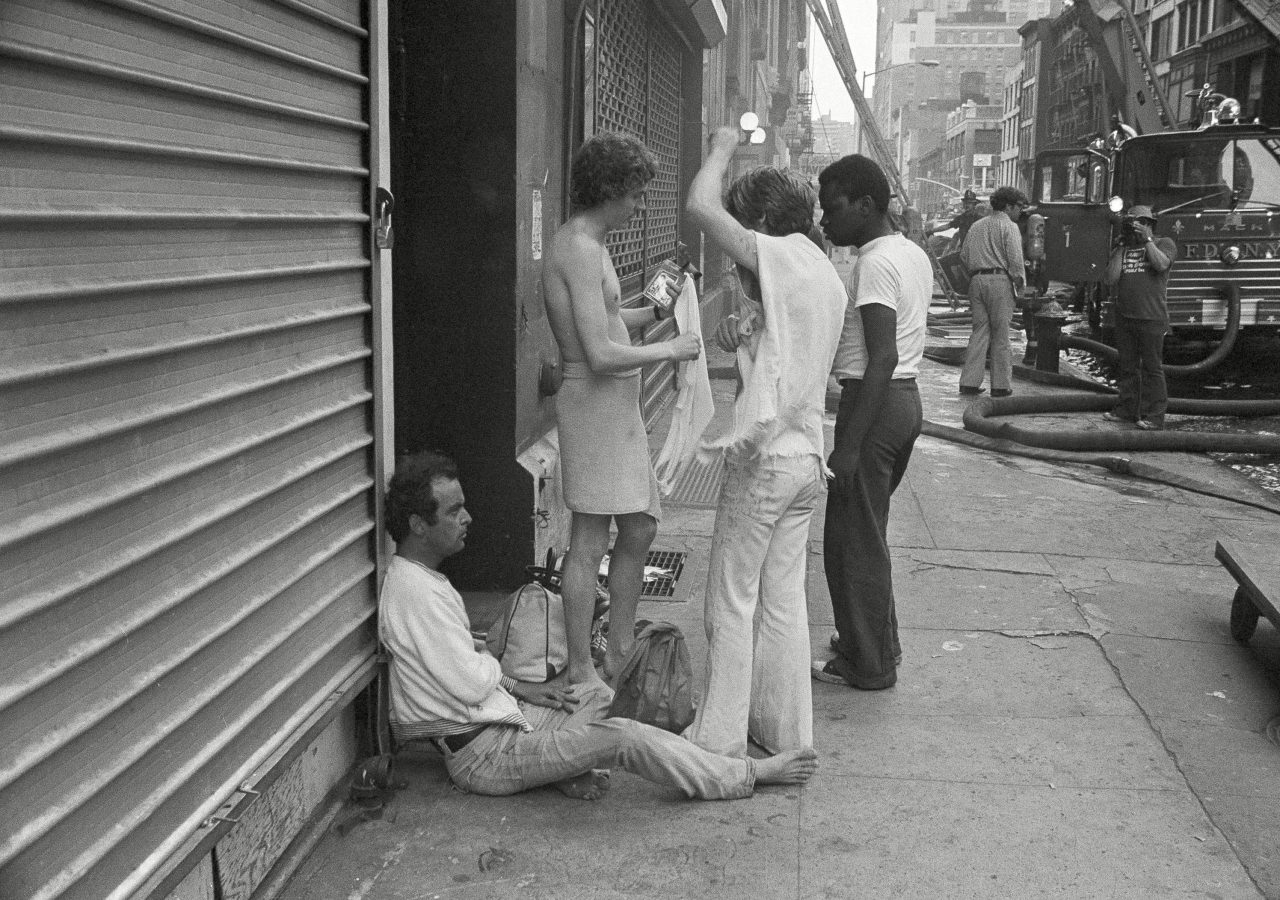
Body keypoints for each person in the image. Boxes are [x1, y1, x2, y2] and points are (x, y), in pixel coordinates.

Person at [378, 451, 818, 801]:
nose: (468, 517)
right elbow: (470, 681)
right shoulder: (415, 593)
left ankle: (565, 769)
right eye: (454, 511)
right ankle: (745, 774)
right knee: (623, 737)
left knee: (596, 694)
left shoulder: (421, 581)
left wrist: (514, 683)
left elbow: (467, 670)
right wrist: (496, 667)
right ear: (418, 524)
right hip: (488, 755)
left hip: (504, 725)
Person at [682, 127, 847, 758]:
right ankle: (784, 736)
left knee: (730, 602)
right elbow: (786, 355)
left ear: (758, 225)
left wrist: (723, 147)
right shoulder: (822, 272)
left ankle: (718, 742)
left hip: (767, 463)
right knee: (784, 608)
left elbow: (700, 209)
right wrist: (746, 340)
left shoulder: (778, 255)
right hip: (807, 462)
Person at [543, 132, 703, 687]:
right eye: (634, 194)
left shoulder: (596, 246)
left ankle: (619, 645)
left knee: (639, 526)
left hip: (616, 405)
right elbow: (599, 353)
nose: (639, 206)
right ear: (609, 189)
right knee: (589, 536)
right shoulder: (578, 249)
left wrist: (660, 302)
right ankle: (584, 668)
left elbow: (615, 324)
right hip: (592, 399)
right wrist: (673, 348)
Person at [811, 155, 931, 692]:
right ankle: (874, 641)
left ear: (866, 204)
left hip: (876, 405)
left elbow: (880, 357)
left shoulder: (875, 264)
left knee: (853, 542)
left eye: (833, 208)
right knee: (866, 534)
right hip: (902, 403)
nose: (824, 218)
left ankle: (868, 664)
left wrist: (850, 446)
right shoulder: (910, 252)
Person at [1102, 204, 1176, 430]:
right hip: (1125, 316)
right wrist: (1121, 247)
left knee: (1152, 368)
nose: (1136, 227)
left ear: (1149, 225)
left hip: (1151, 317)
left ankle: (1154, 417)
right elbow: (1110, 279)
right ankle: (1126, 411)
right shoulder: (1123, 246)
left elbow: (1161, 264)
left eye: (1141, 222)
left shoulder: (1164, 243)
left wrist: (1147, 240)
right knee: (1127, 367)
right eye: (1132, 222)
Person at [957, 186, 1030, 398]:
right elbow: (1016, 260)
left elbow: (963, 256)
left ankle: (969, 383)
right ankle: (1000, 386)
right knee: (1001, 334)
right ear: (1008, 206)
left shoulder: (977, 226)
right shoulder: (1009, 227)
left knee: (979, 332)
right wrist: (1020, 285)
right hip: (1000, 281)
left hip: (976, 280)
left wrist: (975, 272)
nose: (1020, 212)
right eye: (1018, 207)